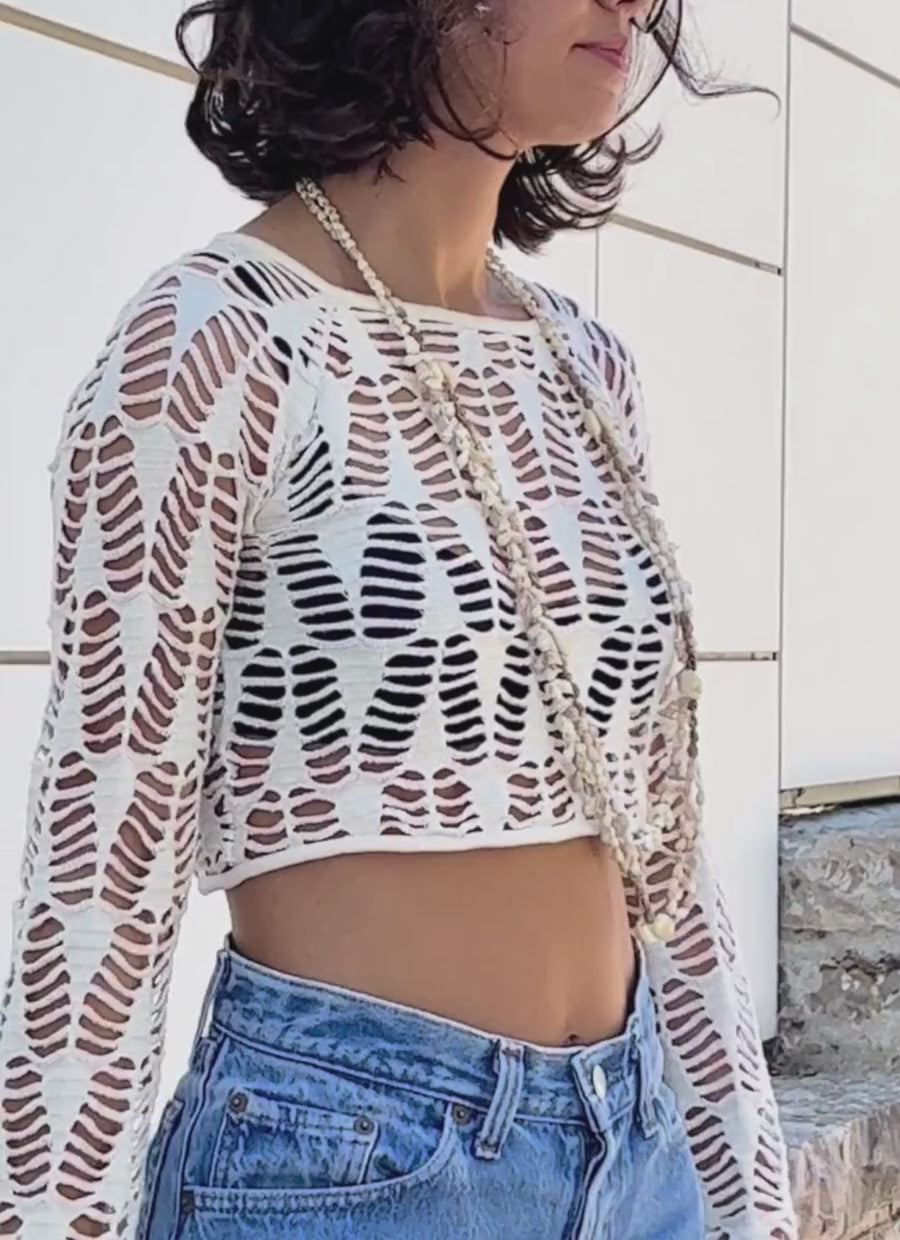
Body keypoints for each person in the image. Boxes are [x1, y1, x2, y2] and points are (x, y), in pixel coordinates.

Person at [0, 1, 797, 1237]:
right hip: (348, 1167)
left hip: (643, 1149)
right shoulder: (216, 344)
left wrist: (747, 1190)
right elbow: (103, 873)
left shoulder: (588, 366)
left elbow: (664, 854)